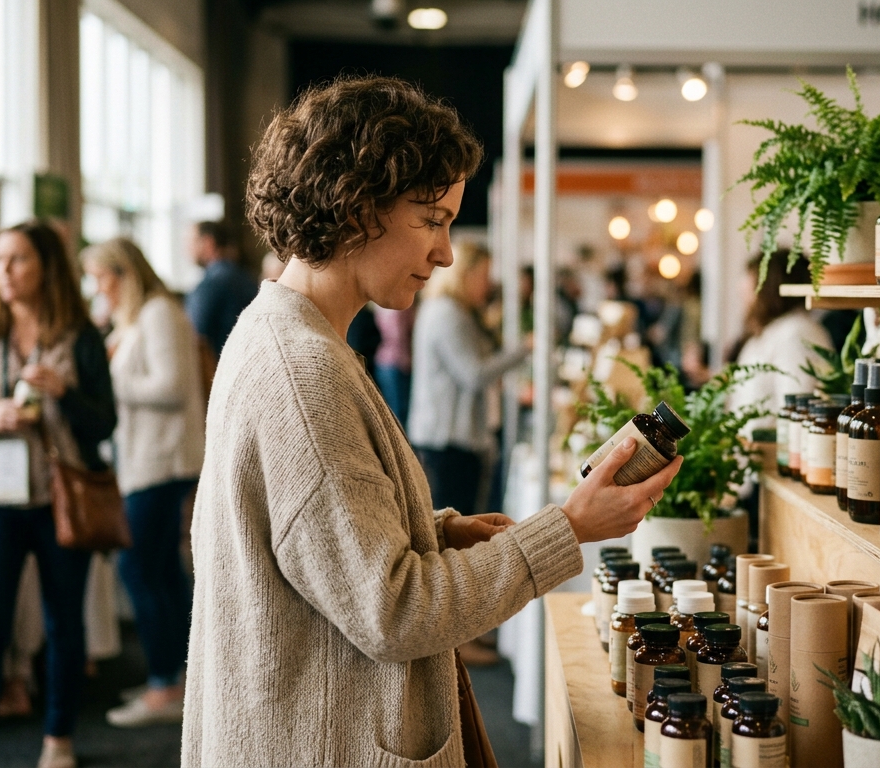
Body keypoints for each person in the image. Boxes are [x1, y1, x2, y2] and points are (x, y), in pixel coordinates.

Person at [182, 75, 682, 768]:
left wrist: (441, 531)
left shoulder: (285, 335)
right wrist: (569, 529)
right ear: (359, 207)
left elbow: (313, 543)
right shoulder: (303, 371)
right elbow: (393, 612)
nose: (445, 253)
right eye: (432, 220)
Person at [0, 220, 116, 768]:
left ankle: (58, 741)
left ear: (45, 268)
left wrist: (64, 394)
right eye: (0, 261)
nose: (5, 272)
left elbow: (104, 422)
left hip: (59, 500)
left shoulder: (79, 336)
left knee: (65, 625)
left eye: (17, 260)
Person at [83, 237, 204, 727]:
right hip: (146, 461)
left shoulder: (159, 314)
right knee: (159, 571)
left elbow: (172, 387)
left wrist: (108, 383)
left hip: (161, 462)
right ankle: (175, 677)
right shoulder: (136, 318)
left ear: (123, 273)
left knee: (139, 570)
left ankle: (164, 683)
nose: (98, 289)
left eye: (101, 278)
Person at [409, 242, 527, 516]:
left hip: (450, 436)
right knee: (457, 518)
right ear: (465, 274)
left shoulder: (455, 310)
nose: (487, 285)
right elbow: (474, 374)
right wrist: (524, 350)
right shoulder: (447, 313)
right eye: (484, 276)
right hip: (448, 439)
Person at [728, 249, 831, 425]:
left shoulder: (796, 333)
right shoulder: (772, 332)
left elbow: (795, 414)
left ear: (768, 285)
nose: (741, 289)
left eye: (750, 279)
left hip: (771, 451)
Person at [184, 221, 258, 357]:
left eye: (191, 241)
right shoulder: (246, 278)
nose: (187, 248)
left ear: (208, 243)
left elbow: (193, 336)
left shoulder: (211, 284)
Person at [373, 303, 416, 426]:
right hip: (397, 362)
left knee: (392, 410)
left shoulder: (382, 303)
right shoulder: (399, 304)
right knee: (399, 413)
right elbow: (397, 335)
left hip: (384, 361)